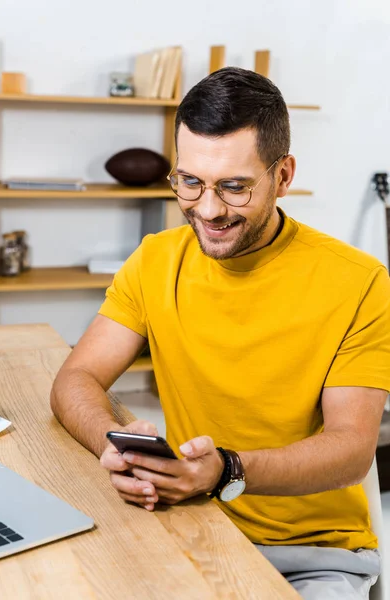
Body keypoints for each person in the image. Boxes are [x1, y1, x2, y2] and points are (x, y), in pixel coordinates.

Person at [50, 67, 390, 599]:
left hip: (315, 556)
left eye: (234, 187)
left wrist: (226, 469)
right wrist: (111, 445)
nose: (208, 210)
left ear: (283, 177)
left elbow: (351, 449)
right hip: (188, 526)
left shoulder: (361, 282)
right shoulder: (155, 261)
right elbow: (78, 376)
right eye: (190, 181)